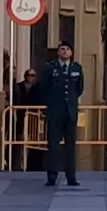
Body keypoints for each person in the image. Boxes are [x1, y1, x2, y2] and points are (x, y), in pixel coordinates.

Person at [37, 41, 86, 187]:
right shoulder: (50, 68)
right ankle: (52, 176)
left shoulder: (76, 68)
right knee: (53, 145)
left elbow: (79, 89)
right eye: (62, 49)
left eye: (67, 49)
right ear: (58, 52)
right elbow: (44, 88)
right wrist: (50, 104)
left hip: (70, 112)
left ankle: (71, 177)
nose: (64, 52)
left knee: (70, 145)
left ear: (71, 52)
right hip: (55, 111)